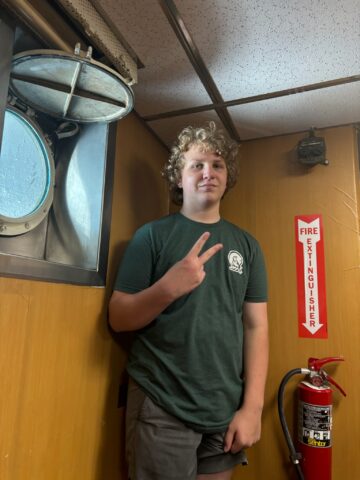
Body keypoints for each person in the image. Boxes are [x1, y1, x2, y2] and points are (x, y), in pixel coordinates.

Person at [108, 122, 268, 480]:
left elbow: (256, 326)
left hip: (224, 411)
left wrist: (252, 408)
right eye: (197, 164)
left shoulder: (248, 247)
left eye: (218, 165)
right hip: (162, 403)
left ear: (228, 177)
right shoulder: (151, 237)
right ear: (178, 178)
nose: (208, 173)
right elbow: (118, 317)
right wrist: (169, 287)